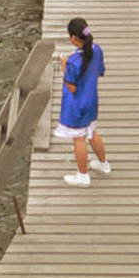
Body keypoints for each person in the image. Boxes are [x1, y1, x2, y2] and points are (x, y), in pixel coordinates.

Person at [53, 16, 110, 187]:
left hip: (76, 106)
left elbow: (72, 87)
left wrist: (65, 66)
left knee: (79, 139)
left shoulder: (73, 61)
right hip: (91, 100)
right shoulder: (97, 50)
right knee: (92, 132)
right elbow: (100, 70)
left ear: (73, 38)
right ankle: (103, 164)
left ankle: (82, 175)